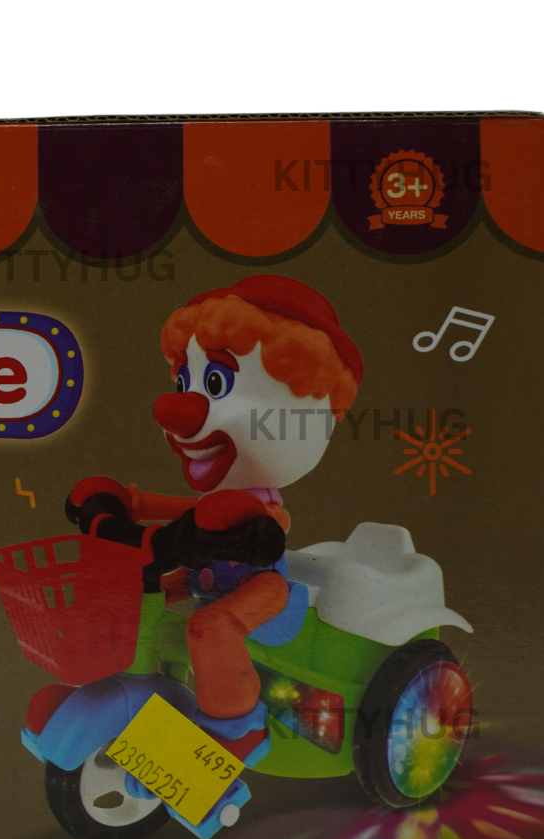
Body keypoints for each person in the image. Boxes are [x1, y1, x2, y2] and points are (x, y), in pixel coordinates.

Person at [67, 275, 363, 728]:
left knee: (210, 627)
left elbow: (266, 526)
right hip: (202, 577)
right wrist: (132, 505)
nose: (179, 411)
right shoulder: (214, 502)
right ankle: (143, 690)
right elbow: (193, 514)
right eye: (186, 382)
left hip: (264, 590)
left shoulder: (256, 508)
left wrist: (238, 525)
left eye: (217, 382)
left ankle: (235, 725)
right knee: (131, 600)